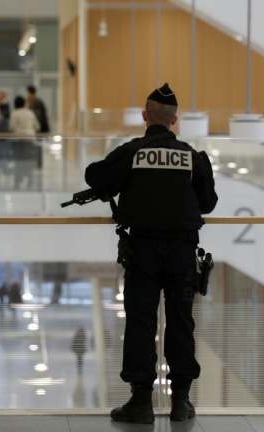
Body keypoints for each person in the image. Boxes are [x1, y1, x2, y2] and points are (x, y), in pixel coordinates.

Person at [84, 83, 217, 424]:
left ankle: (141, 402)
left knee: (141, 323)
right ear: (176, 121)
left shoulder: (132, 152)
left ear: (145, 117)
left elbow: (96, 176)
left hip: (142, 251)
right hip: (182, 252)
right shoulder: (191, 157)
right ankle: (181, 403)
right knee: (181, 323)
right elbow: (208, 202)